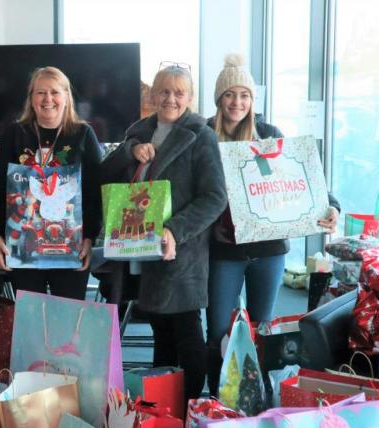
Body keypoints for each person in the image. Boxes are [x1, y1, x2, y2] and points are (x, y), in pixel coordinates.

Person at [205, 54, 341, 396]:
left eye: (244, 95)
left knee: (264, 329)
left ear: (252, 100)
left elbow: (302, 177)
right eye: (230, 95)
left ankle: (262, 394)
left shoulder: (268, 133)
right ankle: (217, 397)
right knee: (219, 328)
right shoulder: (205, 135)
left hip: (268, 250)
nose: (237, 102)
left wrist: (332, 206)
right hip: (223, 249)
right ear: (219, 99)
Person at [100, 63, 227, 400]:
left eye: (179, 92)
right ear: (153, 94)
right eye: (164, 91)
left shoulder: (201, 136)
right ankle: (163, 408)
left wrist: (173, 230)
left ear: (190, 97)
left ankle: (188, 406)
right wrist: (130, 152)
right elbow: (105, 175)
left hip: (179, 251)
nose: (171, 98)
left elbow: (215, 197)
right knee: (160, 331)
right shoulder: (138, 131)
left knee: (186, 331)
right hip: (138, 251)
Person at [0, 66, 102, 300]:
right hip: (24, 246)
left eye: (54, 92)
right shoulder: (14, 134)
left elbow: (94, 194)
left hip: (72, 248)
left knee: (67, 322)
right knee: (31, 323)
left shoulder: (83, 135)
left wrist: (90, 237)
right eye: (40, 93)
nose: (47, 99)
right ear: (31, 98)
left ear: (66, 97)